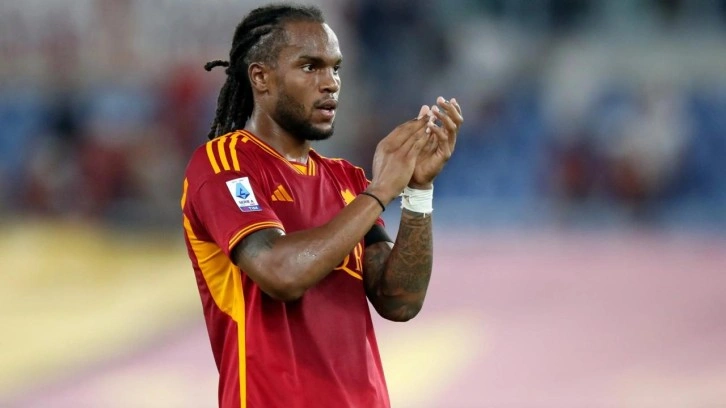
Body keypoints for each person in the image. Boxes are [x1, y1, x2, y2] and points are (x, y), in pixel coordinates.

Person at [180, 4, 462, 408]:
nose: (330, 83)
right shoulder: (223, 165)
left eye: (336, 68)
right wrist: (380, 191)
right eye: (310, 67)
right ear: (261, 77)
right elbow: (280, 273)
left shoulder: (346, 181)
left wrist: (418, 190)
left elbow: (400, 301)